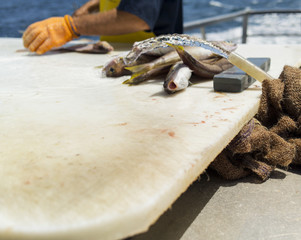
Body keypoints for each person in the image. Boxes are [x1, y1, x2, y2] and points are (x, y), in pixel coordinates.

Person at [22, 0, 183, 55]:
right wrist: (94, 4)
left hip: (152, 65)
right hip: (122, 58)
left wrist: (69, 26)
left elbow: (137, 16)